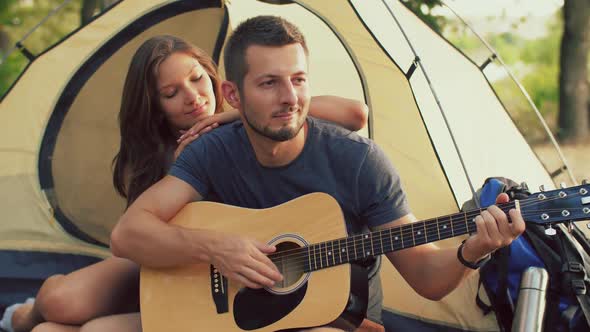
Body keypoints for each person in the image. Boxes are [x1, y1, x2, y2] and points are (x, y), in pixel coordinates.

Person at [109, 16, 526, 332]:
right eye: (269, 83)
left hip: (338, 322)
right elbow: (128, 234)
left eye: (299, 80)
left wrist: (474, 251)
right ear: (233, 95)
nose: (289, 98)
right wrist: (217, 247)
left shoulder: (360, 162)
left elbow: (426, 279)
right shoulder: (212, 150)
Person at [0, 34, 369, 332]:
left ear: (215, 78)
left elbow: (354, 114)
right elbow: (137, 235)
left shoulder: (249, 120)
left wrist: (235, 114)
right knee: (59, 303)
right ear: (154, 105)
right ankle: (22, 315)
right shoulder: (158, 152)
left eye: (197, 79)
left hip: (230, 264)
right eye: (172, 93)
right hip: (165, 253)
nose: (193, 98)